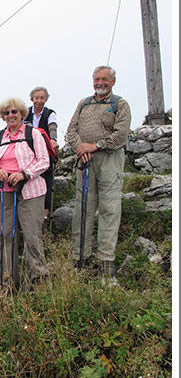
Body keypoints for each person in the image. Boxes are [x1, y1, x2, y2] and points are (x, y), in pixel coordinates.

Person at [66, 65, 131, 286]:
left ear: (113, 81)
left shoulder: (119, 104)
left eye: (104, 79)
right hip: (85, 161)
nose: (99, 83)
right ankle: (79, 260)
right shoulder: (84, 103)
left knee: (109, 209)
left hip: (109, 159)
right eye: (96, 79)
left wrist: (95, 146)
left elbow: (121, 134)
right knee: (82, 209)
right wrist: (81, 148)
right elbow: (71, 130)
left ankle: (107, 266)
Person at [0, 98, 49, 290]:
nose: (11, 116)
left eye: (14, 112)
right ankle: (8, 282)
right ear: (3, 116)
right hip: (5, 191)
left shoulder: (33, 134)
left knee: (32, 235)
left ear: (22, 113)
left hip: (30, 191)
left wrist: (23, 174)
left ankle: (37, 280)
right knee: (6, 235)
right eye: (7, 113)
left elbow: (44, 161)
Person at [24, 86, 59, 222]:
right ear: (32, 99)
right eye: (37, 98)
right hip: (28, 154)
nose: (39, 101)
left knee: (47, 184)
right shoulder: (25, 112)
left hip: (45, 152)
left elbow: (52, 127)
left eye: (42, 98)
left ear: (46, 99)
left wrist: (53, 140)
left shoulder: (50, 113)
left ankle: (44, 218)